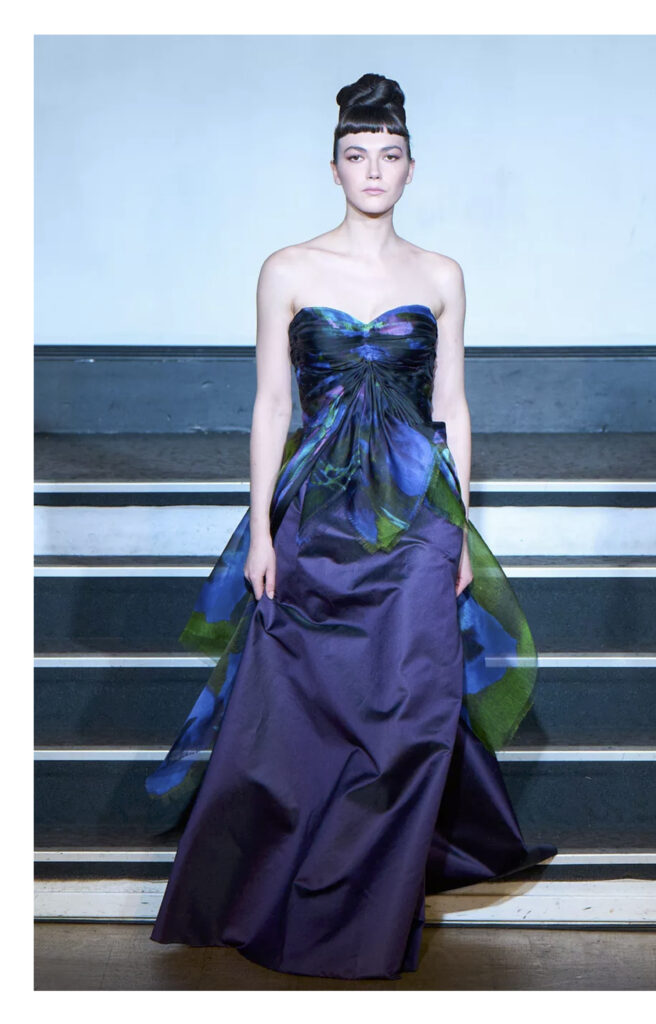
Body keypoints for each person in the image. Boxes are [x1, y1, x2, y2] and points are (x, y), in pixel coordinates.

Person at [144, 72, 557, 981]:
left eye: (389, 154)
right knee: (300, 715)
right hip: (316, 520)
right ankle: (289, 902)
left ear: (410, 169)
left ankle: (371, 918)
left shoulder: (441, 275)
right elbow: (269, 406)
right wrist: (262, 534)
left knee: (413, 716)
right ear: (332, 167)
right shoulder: (286, 270)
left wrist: (459, 529)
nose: (373, 168)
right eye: (357, 154)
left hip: (415, 523)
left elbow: (452, 406)